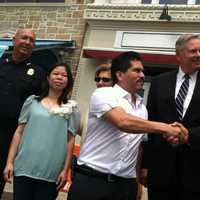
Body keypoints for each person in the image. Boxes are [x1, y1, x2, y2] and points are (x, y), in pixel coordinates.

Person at [67, 51, 185, 200]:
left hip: (125, 186)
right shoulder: (104, 94)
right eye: (136, 70)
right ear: (120, 75)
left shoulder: (142, 109)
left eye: (142, 71)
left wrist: (136, 182)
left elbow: (138, 148)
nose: (142, 75)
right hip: (93, 181)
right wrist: (167, 128)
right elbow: (123, 122)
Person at [3, 63, 81, 200]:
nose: (59, 78)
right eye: (56, 74)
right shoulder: (32, 102)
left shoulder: (72, 108)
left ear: (68, 81)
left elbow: (70, 140)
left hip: (52, 171)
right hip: (24, 167)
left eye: (64, 75)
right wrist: (9, 162)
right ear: (48, 78)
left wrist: (65, 170)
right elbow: (19, 132)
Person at [139, 34, 200, 200]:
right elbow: (150, 123)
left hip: (195, 170)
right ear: (179, 55)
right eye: (193, 51)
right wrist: (145, 165)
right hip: (161, 169)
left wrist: (188, 136)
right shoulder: (160, 82)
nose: (198, 55)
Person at [0, 28, 45, 197]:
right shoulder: (0, 63)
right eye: (24, 38)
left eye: (32, 40)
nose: (27, 42)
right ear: (14, 40)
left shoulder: (38, 73)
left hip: (11, 135)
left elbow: (43, 103)